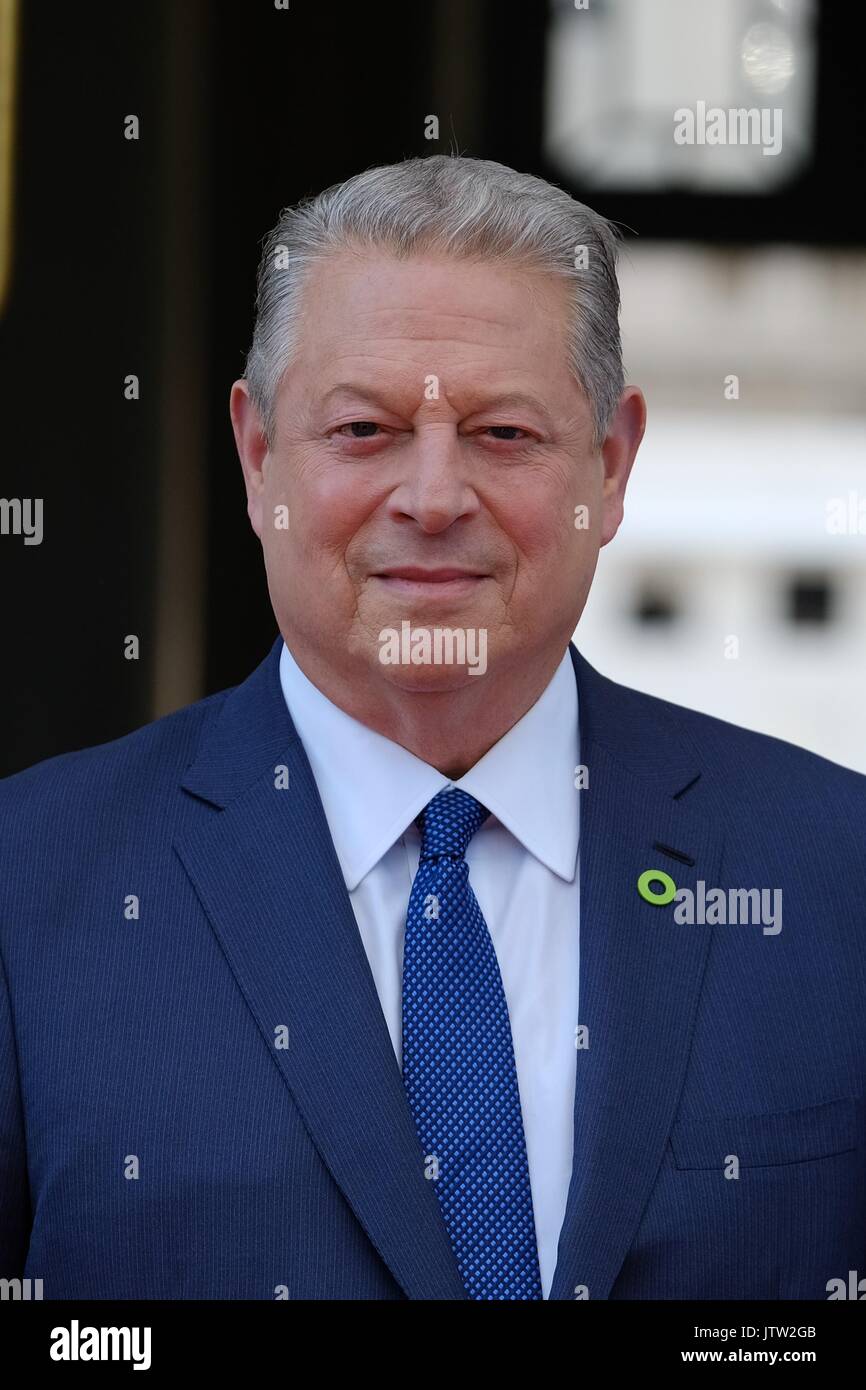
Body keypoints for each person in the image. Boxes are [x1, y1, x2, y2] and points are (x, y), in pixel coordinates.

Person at [1, 156, 863, 1301]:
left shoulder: (831, 868)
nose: (433, 495)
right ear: (259, 457)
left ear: (609, 467)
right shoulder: (30, 881)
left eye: (504, 435)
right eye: (362, 429)